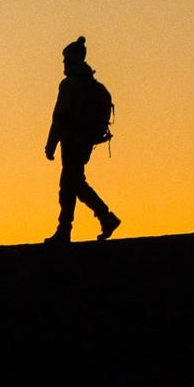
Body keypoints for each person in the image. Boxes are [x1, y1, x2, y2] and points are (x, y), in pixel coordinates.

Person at [44, 36, 120, 244]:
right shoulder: (90, 83)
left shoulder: (70, 85)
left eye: (66, 60)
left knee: (70, 184)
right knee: (73, 182)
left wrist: (51, 143)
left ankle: (94, 220)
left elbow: (59, 116)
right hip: (85, 141)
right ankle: (100, 219)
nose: (64, 64)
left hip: (71, 140)